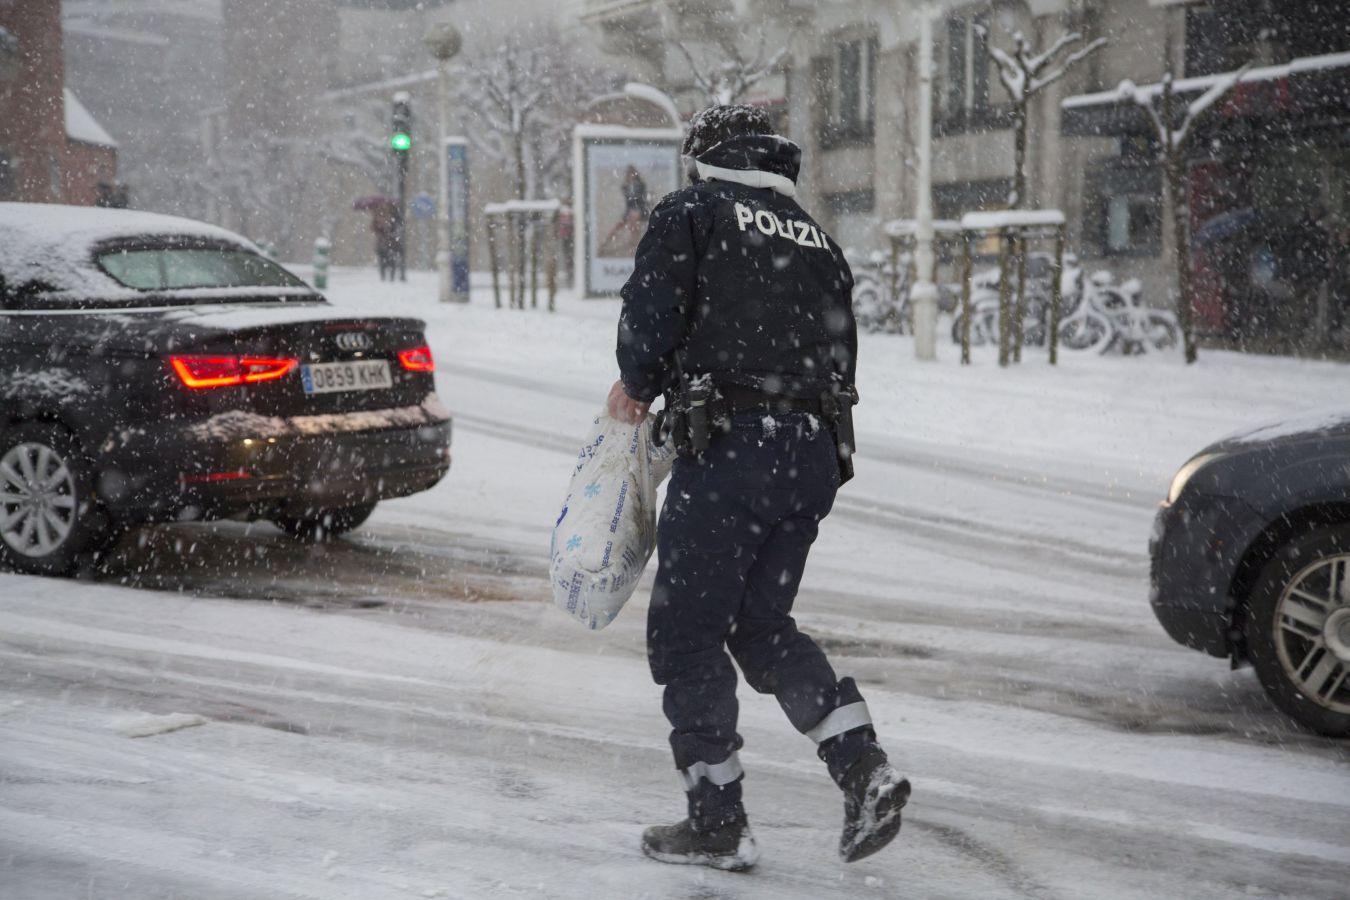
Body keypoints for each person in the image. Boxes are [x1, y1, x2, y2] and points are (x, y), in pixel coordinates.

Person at [607, 105, 909, 872]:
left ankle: (717, 822)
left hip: (732, 450)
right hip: (812, 454)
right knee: (762, 626)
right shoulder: (818, 240)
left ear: (705, 157)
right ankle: (863, 768)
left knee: (688, 635)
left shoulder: (693, 212)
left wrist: (638, 382)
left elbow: (653, 313)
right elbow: (841, 357)